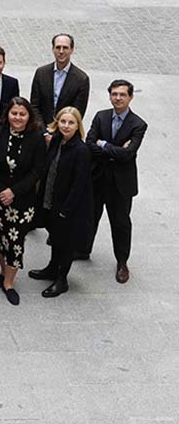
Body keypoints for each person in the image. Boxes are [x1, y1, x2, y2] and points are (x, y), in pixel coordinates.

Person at [84, 80, 147, 283]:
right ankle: (83, 249)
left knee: (120, 223)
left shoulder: (138, 124)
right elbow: (89, 143)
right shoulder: (101, 116)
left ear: (130, 97)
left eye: (122, 94)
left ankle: (122, 262)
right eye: (114, 94)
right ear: (109, 95)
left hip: (121, 184)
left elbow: (128, 154)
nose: (118, 98)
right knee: (90, 216)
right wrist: (113, 149)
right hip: (98, 178)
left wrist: (104, 145)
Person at [0, 96, 46, 306]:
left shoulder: (37, 138)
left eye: (22, 114)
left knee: (15, 242)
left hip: (22, 201)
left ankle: (9, 283)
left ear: (29, 116)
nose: (17, 118)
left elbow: (38, 170)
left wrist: (13, 191)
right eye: (14, 113)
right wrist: (1, 190)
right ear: (7, 115)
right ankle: (3, 272)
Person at [28, 107, 93, 298]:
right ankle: (51, 268)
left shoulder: (81, 150)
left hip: (68, 207)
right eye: (63, 121)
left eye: (71, 122)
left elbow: (79, 185)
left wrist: (66, 210)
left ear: (78, 126)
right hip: (51, 199)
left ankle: (61, 279)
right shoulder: (56, 140)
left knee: (66, 243)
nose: (66, 126)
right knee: (55, 237)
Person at [30, 33, 90, 125]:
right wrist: (44, 132)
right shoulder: (41, 73)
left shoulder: (81, 79)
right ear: (53, 49)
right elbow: (34, 106)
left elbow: (77, 112)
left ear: (72, 50)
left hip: (66, 131)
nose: (61, 51)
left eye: (65, 48)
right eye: (58, 47)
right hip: (41, 130)